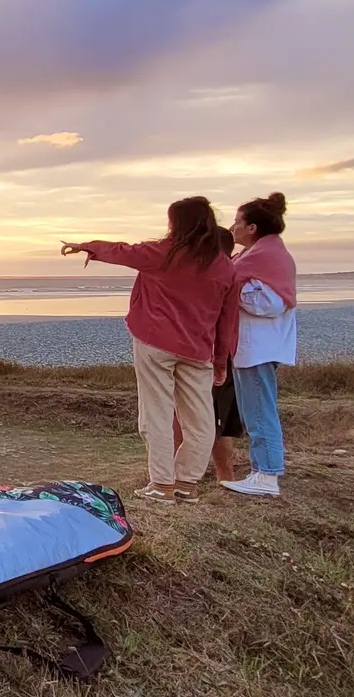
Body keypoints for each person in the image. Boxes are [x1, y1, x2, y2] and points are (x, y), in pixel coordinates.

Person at [63, 197, 240, 503]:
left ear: (176, 223)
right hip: (198, 349)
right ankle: (187, 483)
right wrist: (221, 360)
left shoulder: (164, 253)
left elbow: (123, 251)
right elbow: (228, 320)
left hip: (155, 342)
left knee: (157, 413)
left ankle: (162, 485)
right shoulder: (224, 266)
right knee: (200, 419)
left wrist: (86, 246)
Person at [222, 193, 297, 498]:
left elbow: (271, 303)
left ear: (252, 227)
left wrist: (236, 291)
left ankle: (266, 475)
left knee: (258, 411)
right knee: (256, 409)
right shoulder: (264, 253)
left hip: (258, 348)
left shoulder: (262, 256)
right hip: (259, 346)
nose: (232, 227)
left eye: (237, 222)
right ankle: (262, 471)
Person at [174, 228, 246, 482]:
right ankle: (223, 475)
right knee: (218, 418)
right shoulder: (230, 275)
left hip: (201, 355)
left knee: (186, 414)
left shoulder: (205, 276)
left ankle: (176, 475)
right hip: (218, 355)